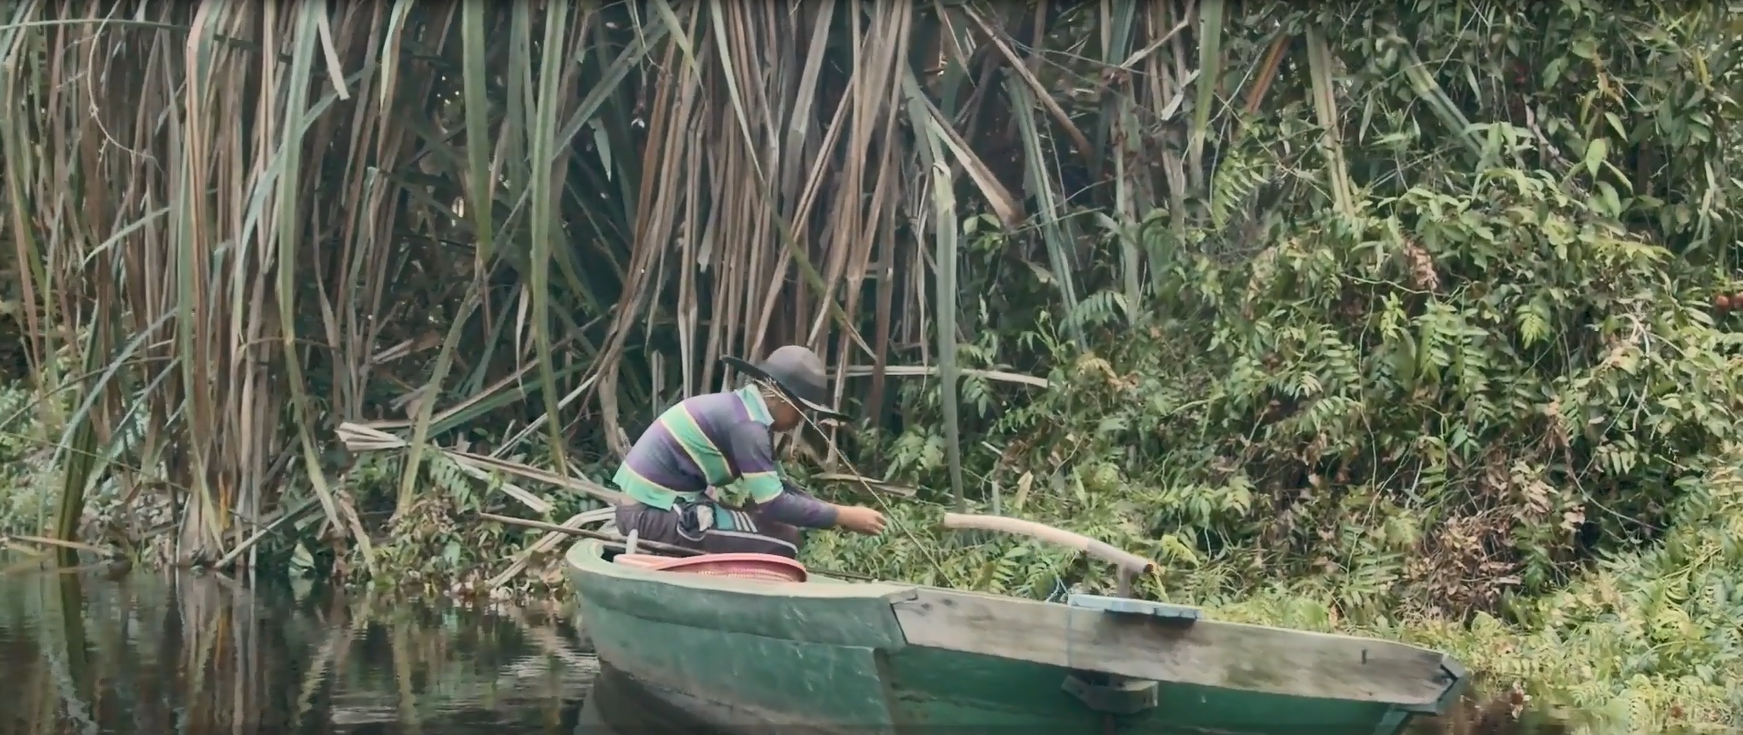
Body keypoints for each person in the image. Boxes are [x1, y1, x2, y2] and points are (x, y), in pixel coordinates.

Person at [611, 345, 887, 559]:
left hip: (657, 507)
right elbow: (774, 503)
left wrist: (836, 513)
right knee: (784, 541)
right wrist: (842, 515)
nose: (801, 419)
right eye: (801, 410)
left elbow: (781, 488)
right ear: (780, 397)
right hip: (650, 514)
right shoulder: (748, 427)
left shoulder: (744, 411)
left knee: (779, 529)